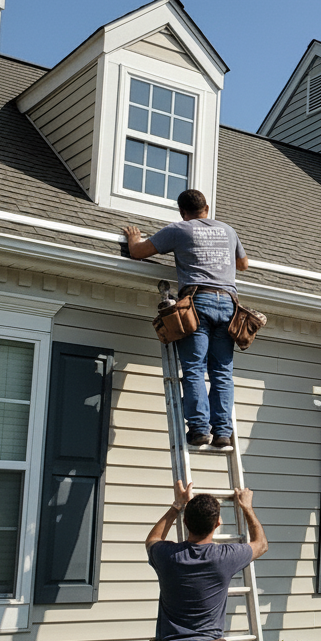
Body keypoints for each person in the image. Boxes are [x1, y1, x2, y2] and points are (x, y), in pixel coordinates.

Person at [132, 481, 268, 641]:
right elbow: (261, 544)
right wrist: (247, 507)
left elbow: (152, 539)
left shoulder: (168, 556)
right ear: (217, 525)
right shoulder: (224, 557)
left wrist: (177, 505)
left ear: (185, 523)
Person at [124, 190, 249, 448]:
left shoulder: (179, 230)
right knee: (222, 372)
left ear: (183, 212)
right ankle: (223, 433)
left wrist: (134, 238)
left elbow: (138, 252)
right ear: (207, 207)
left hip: (197, 302)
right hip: (228, 303)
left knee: (194, 369)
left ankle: (200, 430)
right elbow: (243, 264)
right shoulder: (228, 230)